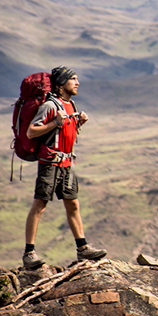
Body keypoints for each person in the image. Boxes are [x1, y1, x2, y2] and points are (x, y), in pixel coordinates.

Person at [22, 66, 107, 269]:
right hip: (50, 163)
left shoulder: (70, 104)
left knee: (73, 205)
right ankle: (29, 253)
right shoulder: (51, 106)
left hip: (67, 163)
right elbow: (31, 132)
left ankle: (83, 249)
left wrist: (79, 123)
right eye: (73, 79)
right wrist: (54, 123)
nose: (77, 83)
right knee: (40, 205)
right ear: (61, 85)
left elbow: (64, 133)